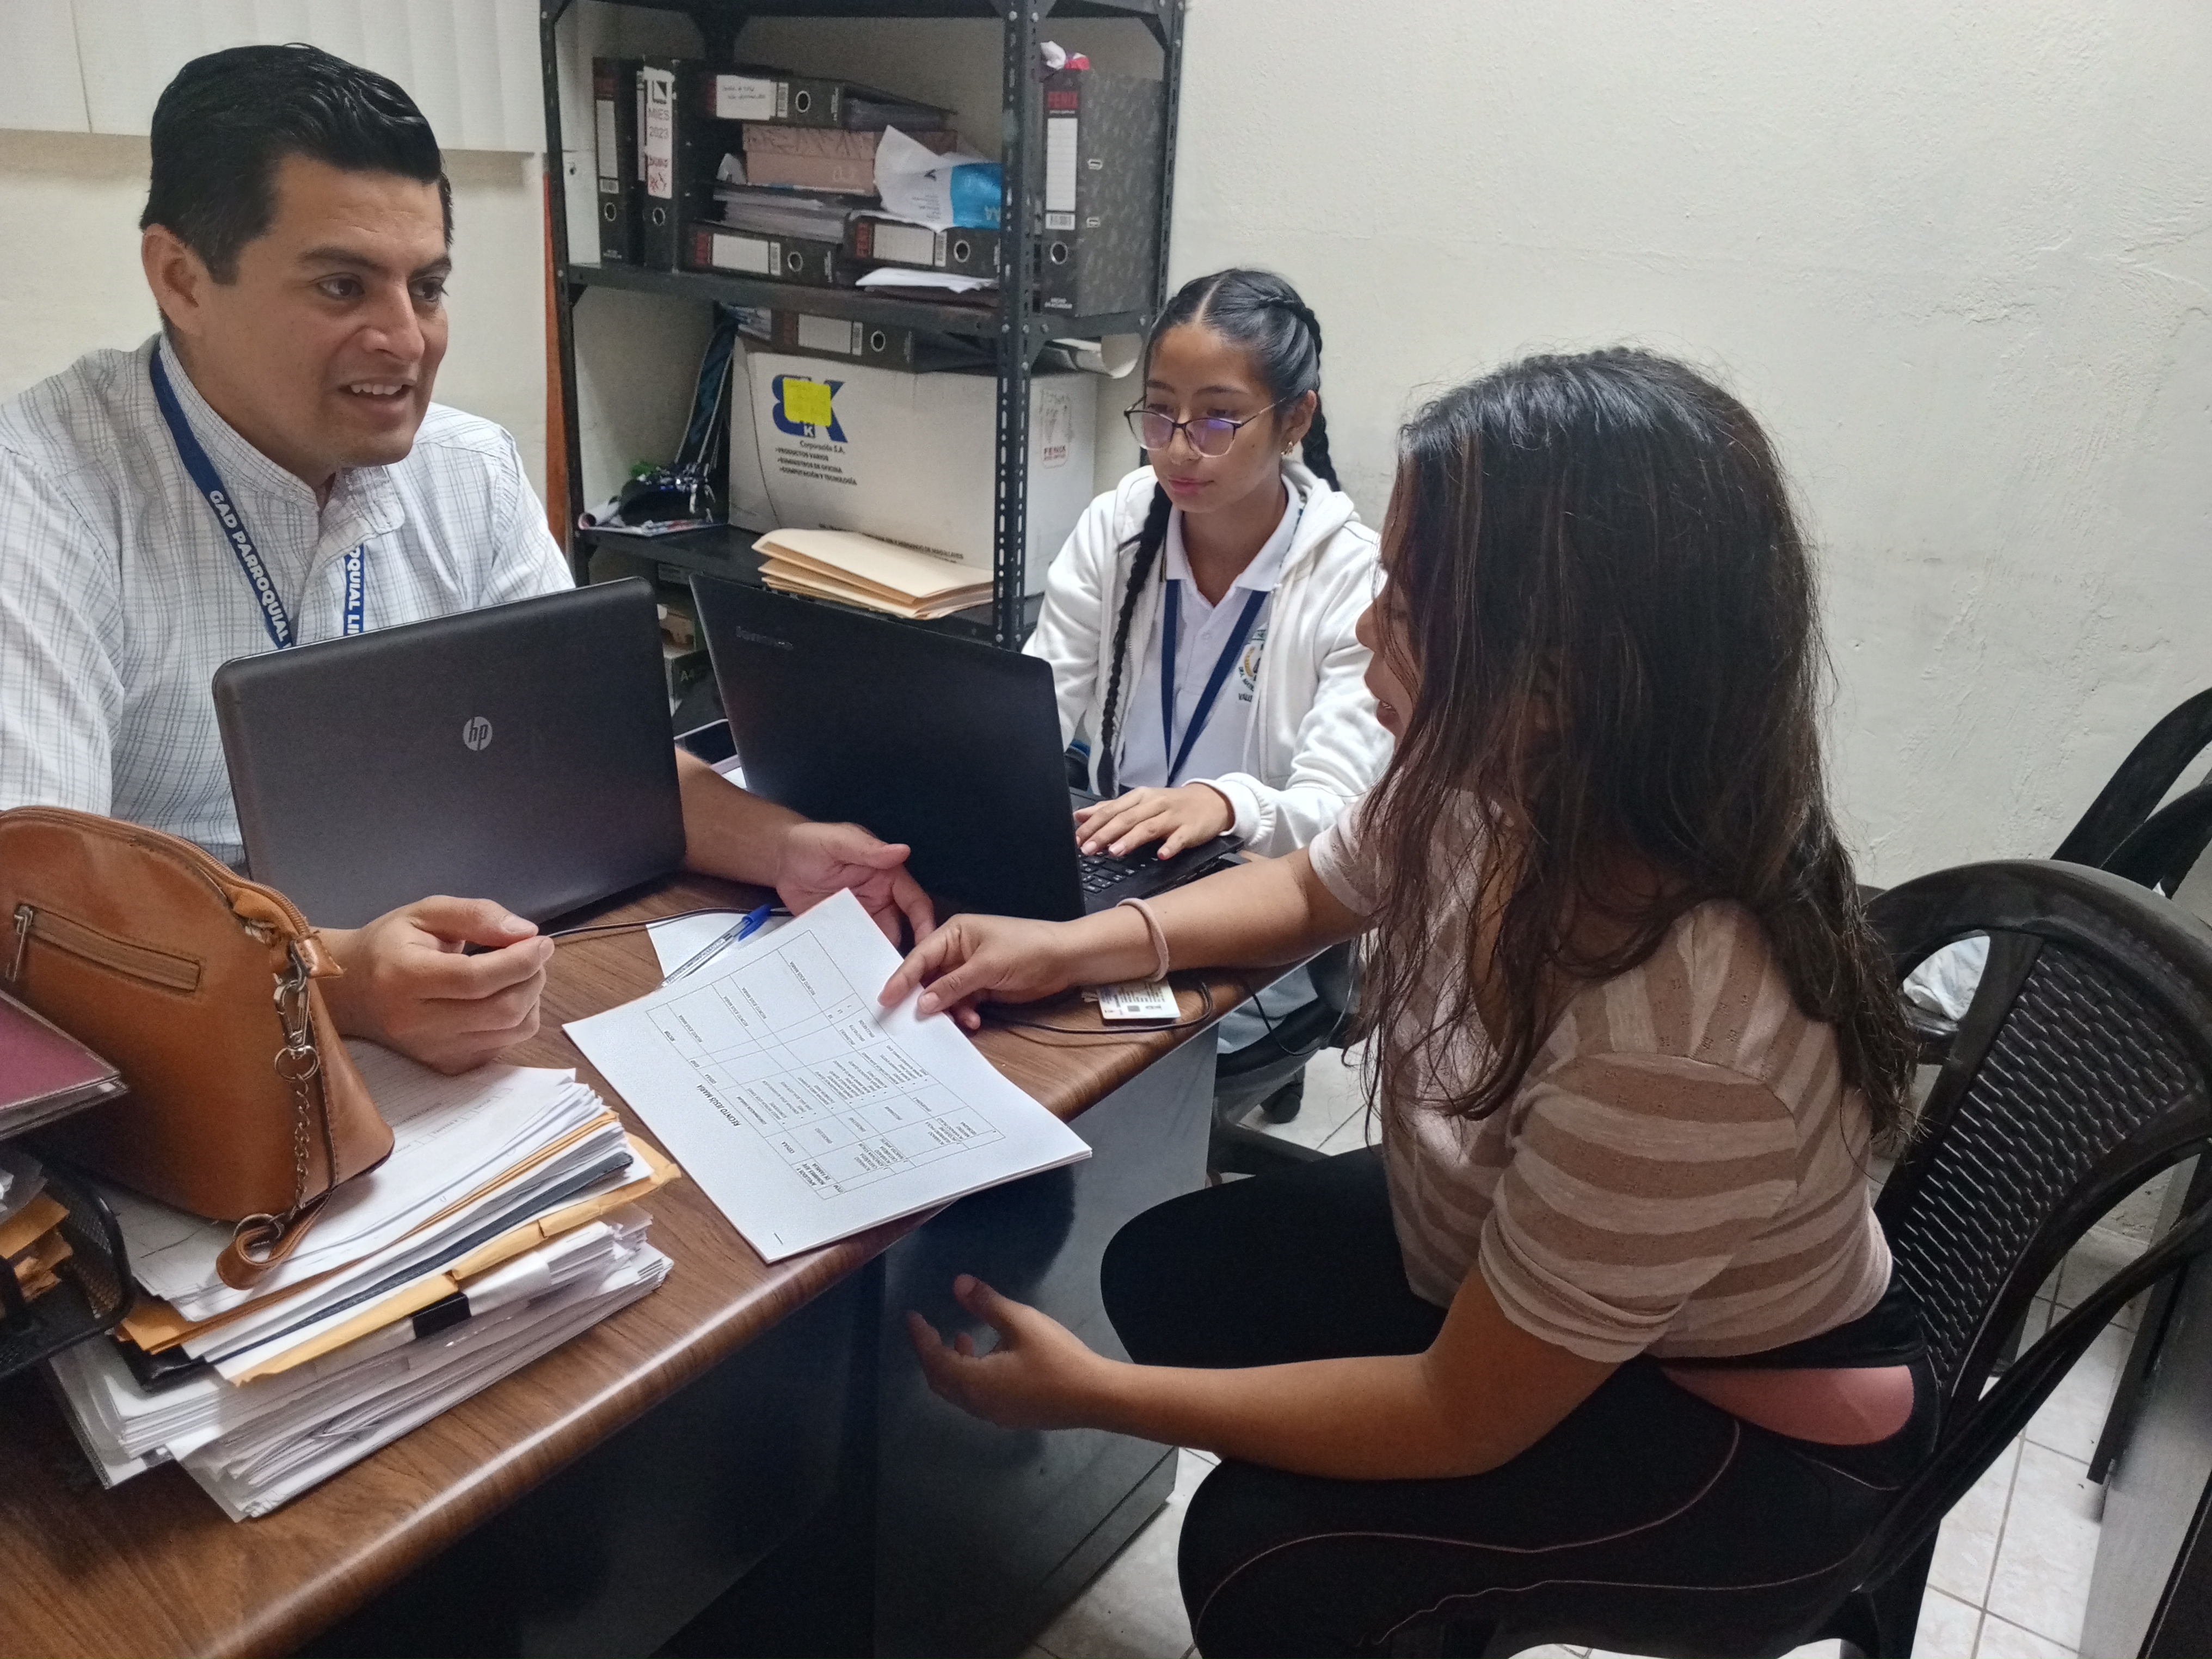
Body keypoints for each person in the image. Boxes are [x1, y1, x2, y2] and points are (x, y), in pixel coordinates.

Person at [884, 349, 1934, 1658]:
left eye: (1405, 599)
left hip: (1739, 1440)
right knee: (1167, 1275)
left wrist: (1095, 1397)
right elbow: (1315, 886)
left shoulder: (1681, 1030)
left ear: (1555, 679)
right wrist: (1075, 945)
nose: (1368, 628)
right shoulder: (1504, 780)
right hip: (1518, 1271)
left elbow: (1460, 1414)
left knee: (1265, 1562)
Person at [0, 45, 930, 1075]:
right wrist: (338, 980)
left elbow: (596, 756)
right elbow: (32, 917)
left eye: (429, 286)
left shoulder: (467, 470)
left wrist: (784, 847)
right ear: (181, 279)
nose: (406, 341)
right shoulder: (42, 497)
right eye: (343, 286)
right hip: (190, 1057)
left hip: (473, 998)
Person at [1024, 267, 1387, 1064]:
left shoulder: (1356, 582)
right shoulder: (1119, 526)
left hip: (1256, 940)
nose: (1181, 448)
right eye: (1160, 413)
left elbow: (1342, 817)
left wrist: (1226, 803)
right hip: (1114, 880)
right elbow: (1032, 713)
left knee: (1081, 1067)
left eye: (1219, 418)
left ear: (1295, 419)